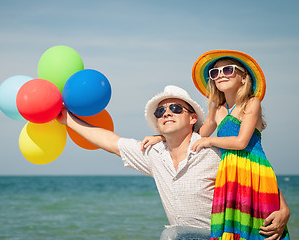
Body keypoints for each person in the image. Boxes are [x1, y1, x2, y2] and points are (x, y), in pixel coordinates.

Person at [144, 50, 290, 240]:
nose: (220, 74)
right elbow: (196, 135)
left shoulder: (251, 103)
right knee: (234, 229)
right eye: (215, 72)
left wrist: (211, 140)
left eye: (227, 69)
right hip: (229, 173)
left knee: (261, 227)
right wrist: (163, 137)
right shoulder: (216, 108)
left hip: (254, 170)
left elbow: (241, 142)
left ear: (243, 77)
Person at [58, 85, 221, 239]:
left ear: (193, 119)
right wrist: (67, 119)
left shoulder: (213, 151)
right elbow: (112, 143)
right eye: (160, 111)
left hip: (217, 235)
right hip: (180, 237)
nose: (167, 113)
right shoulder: (154, 153)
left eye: (176, 109)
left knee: (171, 235)